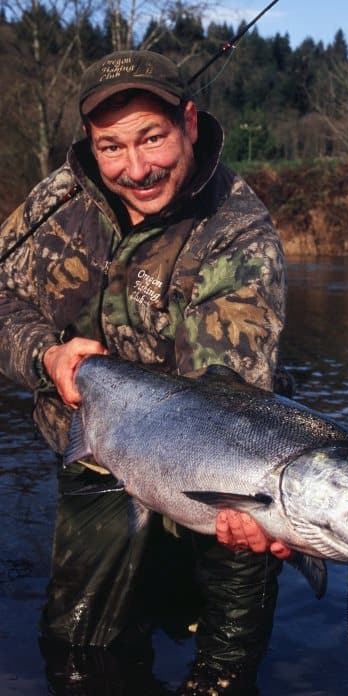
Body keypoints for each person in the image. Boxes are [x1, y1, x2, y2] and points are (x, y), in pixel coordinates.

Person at [0, 49, 291, 694]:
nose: (136, 169)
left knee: (237, 572)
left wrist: (250, 507)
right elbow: (3, 298)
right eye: (112, 148)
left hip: (212, 447)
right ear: (89, 143)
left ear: (188, 121)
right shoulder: (57, 203)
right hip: (94, 451)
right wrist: (45, 356)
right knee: (76, 652)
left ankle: (222, 666)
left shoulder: (236, 233)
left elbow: (224, 402)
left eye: (153, 138)